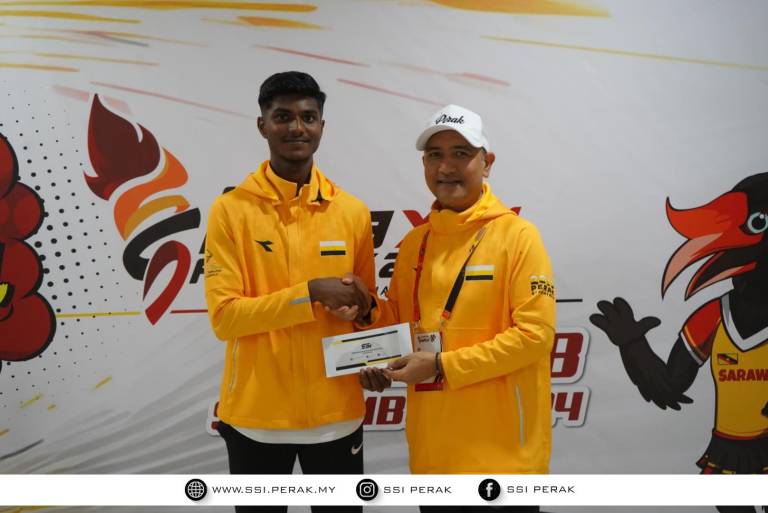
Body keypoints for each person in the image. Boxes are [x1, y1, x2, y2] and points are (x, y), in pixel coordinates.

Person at [340, 104, 556, 513]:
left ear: (487, 163)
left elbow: (535, 338)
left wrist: (441, 365)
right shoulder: (414, 243)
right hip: (433, 459)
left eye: (461, 153)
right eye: (434, 155)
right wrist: (368, 315)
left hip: (505, 463)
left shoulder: (519, 237)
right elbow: (401, 325)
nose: (446, 166)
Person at [204, 71, 375, 513]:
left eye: (308, 117)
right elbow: (225, 318)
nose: (296, 127)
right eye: (283, 117)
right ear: (262, 125)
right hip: (256, 421)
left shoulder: (352, 212)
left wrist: (364, 313)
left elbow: (368, 310)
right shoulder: (230, 211)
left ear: (321, 126)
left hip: (336, 417)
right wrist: (310, 293)